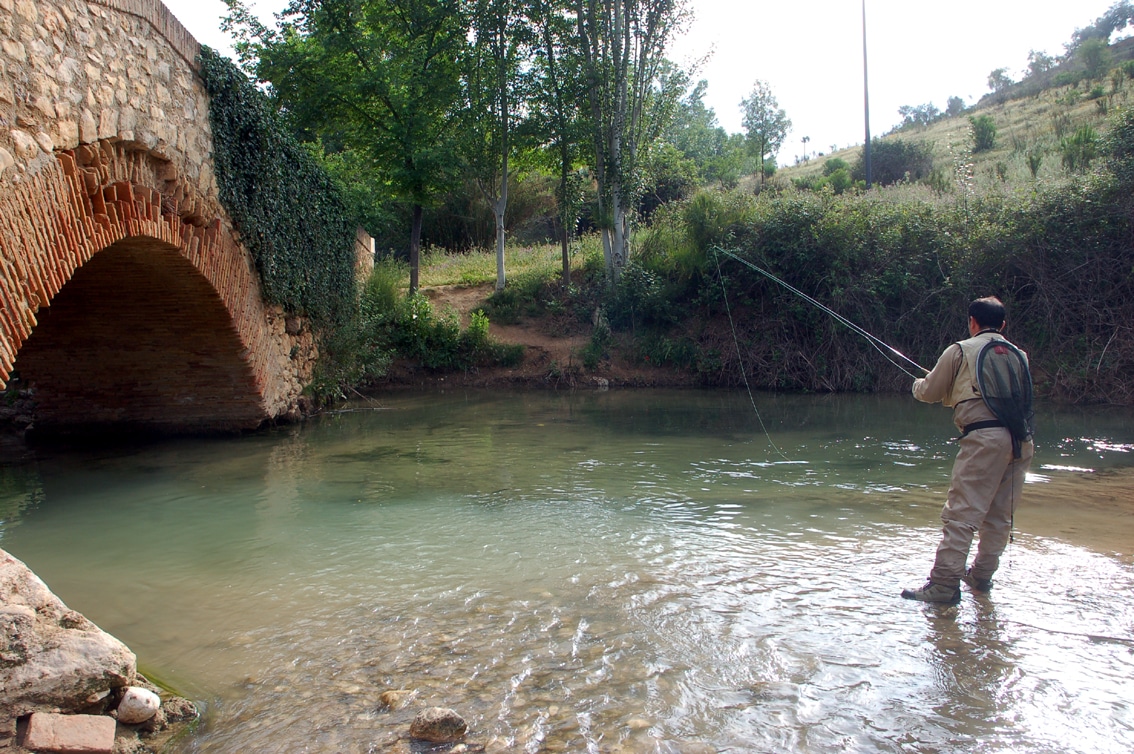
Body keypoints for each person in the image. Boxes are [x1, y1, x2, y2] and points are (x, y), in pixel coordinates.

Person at [901, 296, 1034, 604]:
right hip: (1022, 441)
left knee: (961, 516)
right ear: (1003, 325)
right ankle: (981, 578)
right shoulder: (1020, 355)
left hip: (984, 440)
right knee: (1000, 516)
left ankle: (944, 586)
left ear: (972, 322)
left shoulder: (959, 350)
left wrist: (916, 385)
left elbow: (930, 392)